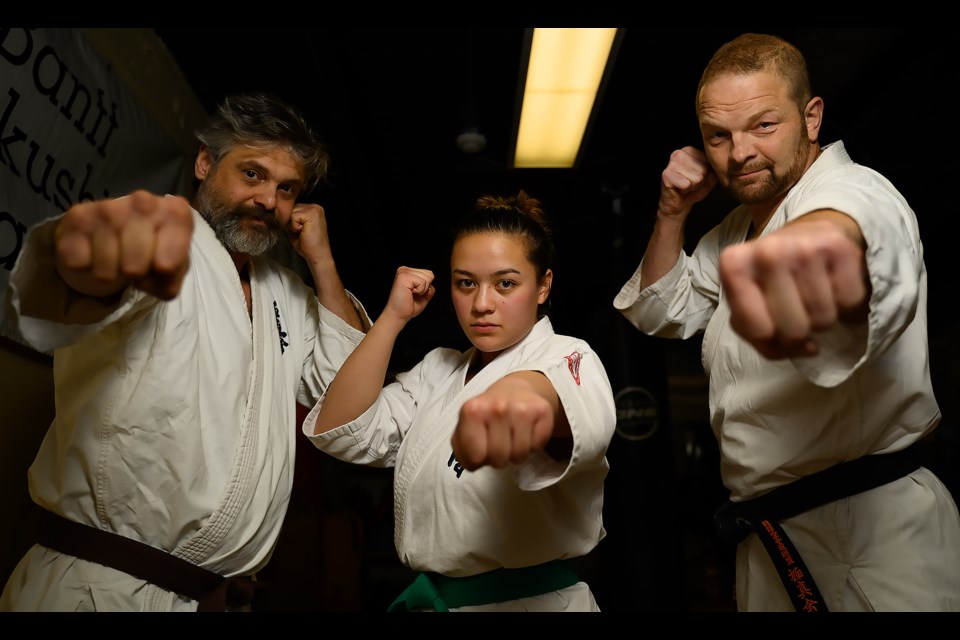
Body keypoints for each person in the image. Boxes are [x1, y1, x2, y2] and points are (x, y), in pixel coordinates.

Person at [613, 32, 960, 612]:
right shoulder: (735, 232)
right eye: (717, 136)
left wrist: (794, 261)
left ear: (811, 117)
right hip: (775, 529)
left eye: (763, 126)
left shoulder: (856, 193)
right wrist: (672, 212)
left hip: (867, 532)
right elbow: (659, 312)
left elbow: (842, 232)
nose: (739, 152)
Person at [0, 92, 370, 612]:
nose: (269, 199)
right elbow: (65, 281)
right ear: (204, 163)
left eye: (287, 188)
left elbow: (346, 394)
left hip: (204, 598)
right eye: (252, 174)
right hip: (101, 590)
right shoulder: (163, 235)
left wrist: (323, 261)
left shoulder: (283, 290)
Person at [303, 191, 616, 611]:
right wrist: (392, 319)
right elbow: (343, 432)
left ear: (543, 286)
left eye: (506, 283)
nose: (481, 304)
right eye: (465, 283)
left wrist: (517, 395)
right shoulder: (438, 370)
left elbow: (556, 399)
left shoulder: (567, 356)